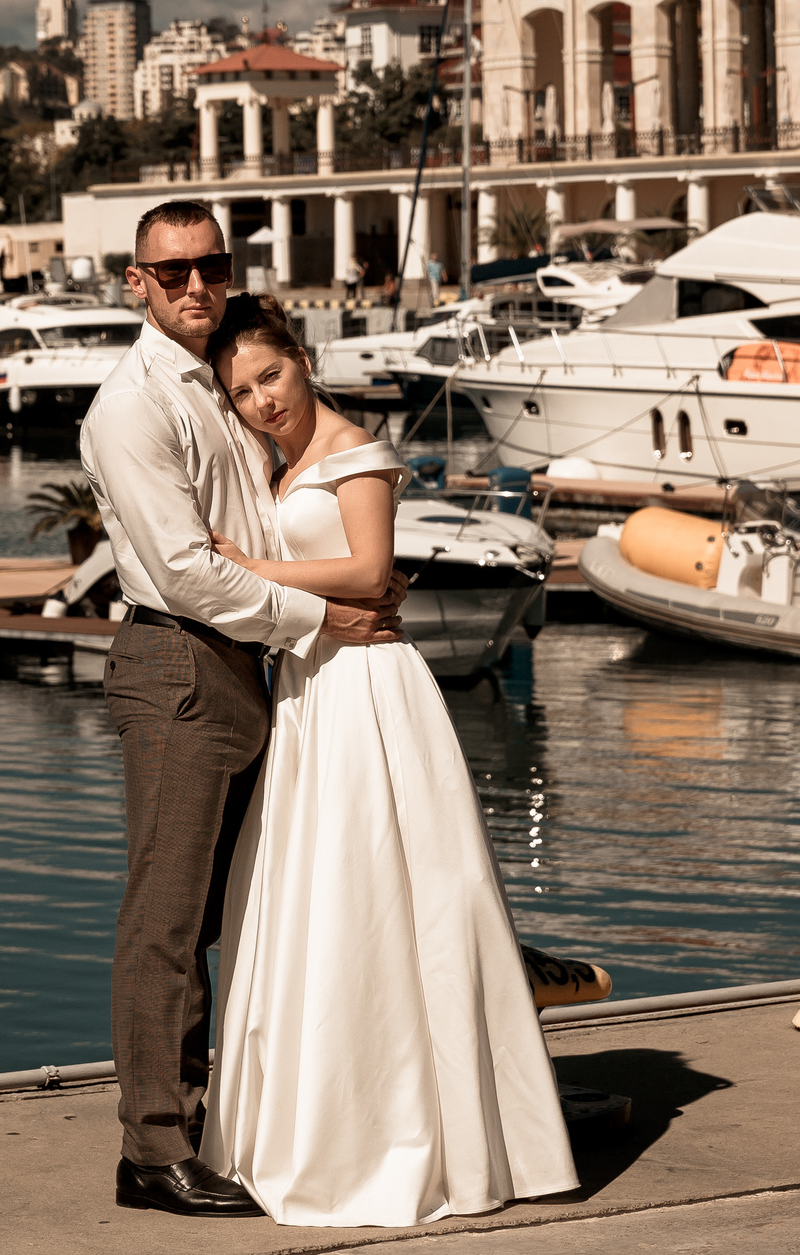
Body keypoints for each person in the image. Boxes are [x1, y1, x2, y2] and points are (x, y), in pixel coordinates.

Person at [196, 293, 578, 1227]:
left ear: (302, 356)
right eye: (241, 391)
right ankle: (319, 1121)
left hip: (369, 689)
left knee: (392, 894)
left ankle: (417, 1134)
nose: (261, 401)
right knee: (314, 901)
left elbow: (371, 574)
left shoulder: (360, 453)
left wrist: (246, 566)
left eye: (270, 375)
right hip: (309, 693)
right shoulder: (275, 462)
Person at [78, 200, 408, 1219]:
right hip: (178, 663)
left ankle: (247, 1114)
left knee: (252, 908)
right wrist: (322, 616)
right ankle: (154, 1148)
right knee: (168, 922)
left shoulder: (224, 381)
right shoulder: (132, 407)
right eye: (168, 272)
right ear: (134, 282)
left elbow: (278, 504)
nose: (191, 286)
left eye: (207, 267)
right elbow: (183, 573)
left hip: (243, 666)